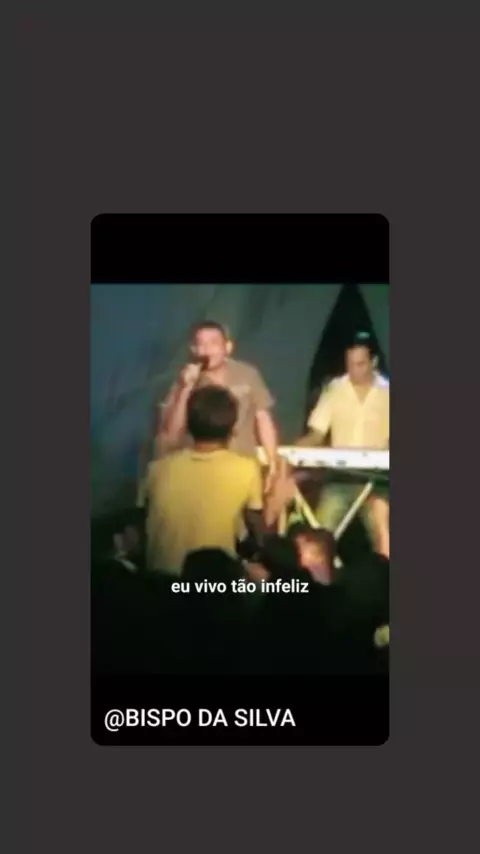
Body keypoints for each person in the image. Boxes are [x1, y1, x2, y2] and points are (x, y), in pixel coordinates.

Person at [147, 385, 283, 575]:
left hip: (158, 580)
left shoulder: (157, 469)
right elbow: (257, 531)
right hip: (213, 580)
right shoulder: (246, 469)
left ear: (188, 425)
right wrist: (276, 504)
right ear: (232, 428)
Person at [296, 332, 389, 558]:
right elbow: (317, 433)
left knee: (384, 538)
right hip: (339, 478)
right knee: (319, 536)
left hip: (377, 480)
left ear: (373, 362)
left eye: (360, 364)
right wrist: (292, 452)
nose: (354, 370)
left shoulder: (388, 391)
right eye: (350, 364)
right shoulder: (335, 389)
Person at [157, 321, 278, 492]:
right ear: (193, 349)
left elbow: (263, 418)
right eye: (201, 344)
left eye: (213, 343)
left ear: (227, 347)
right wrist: (185, 388)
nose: (207, 350)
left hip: (242, 466)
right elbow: (172, 434)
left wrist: (273, 461)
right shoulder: (185, 381)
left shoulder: (247, 374)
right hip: (200, 472)